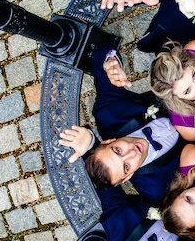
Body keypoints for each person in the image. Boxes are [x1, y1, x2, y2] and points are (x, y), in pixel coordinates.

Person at [57, 45, 180, 204]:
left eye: (118, 150)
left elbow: (100, 58)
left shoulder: (109, 113)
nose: (132, 153)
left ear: (109, 141)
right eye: (126, 167)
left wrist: (110, 64)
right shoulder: (156, 189)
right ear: (126, 178)